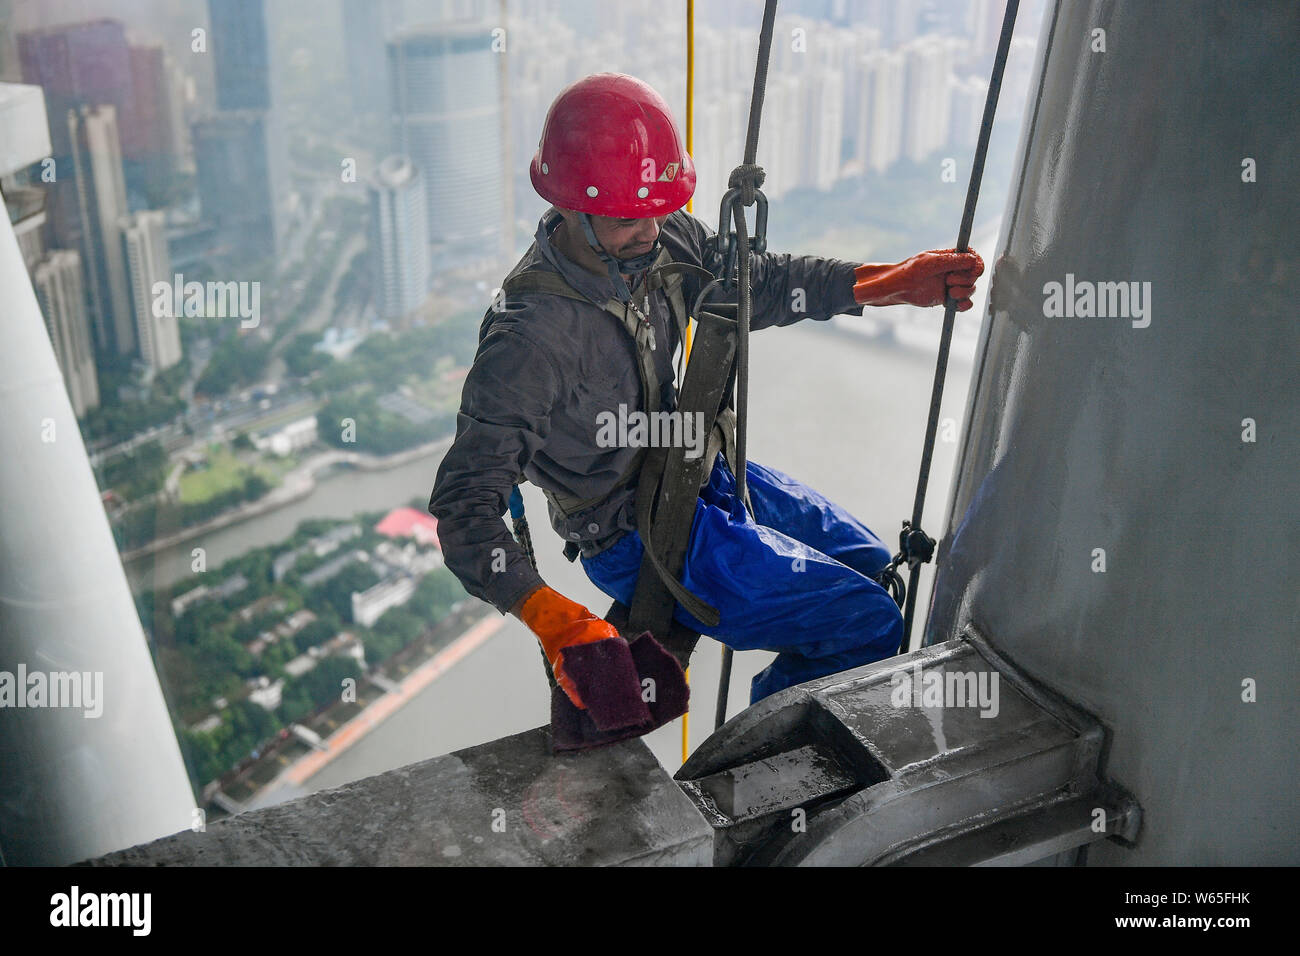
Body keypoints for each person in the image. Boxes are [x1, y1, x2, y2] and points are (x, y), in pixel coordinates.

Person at [429, 72, 983, 731]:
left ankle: (786, 723)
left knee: (870, 566)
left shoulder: (657, 239)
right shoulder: (530, 339)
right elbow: (465, 507)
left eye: (656, 213)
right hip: (629, 534)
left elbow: (755, 285)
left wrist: (891, 284)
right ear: (572, 211)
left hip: (698, 472)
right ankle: (765, 766)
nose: (649, 232)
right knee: (865, 622)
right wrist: (548, 614)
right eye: (625, 220)